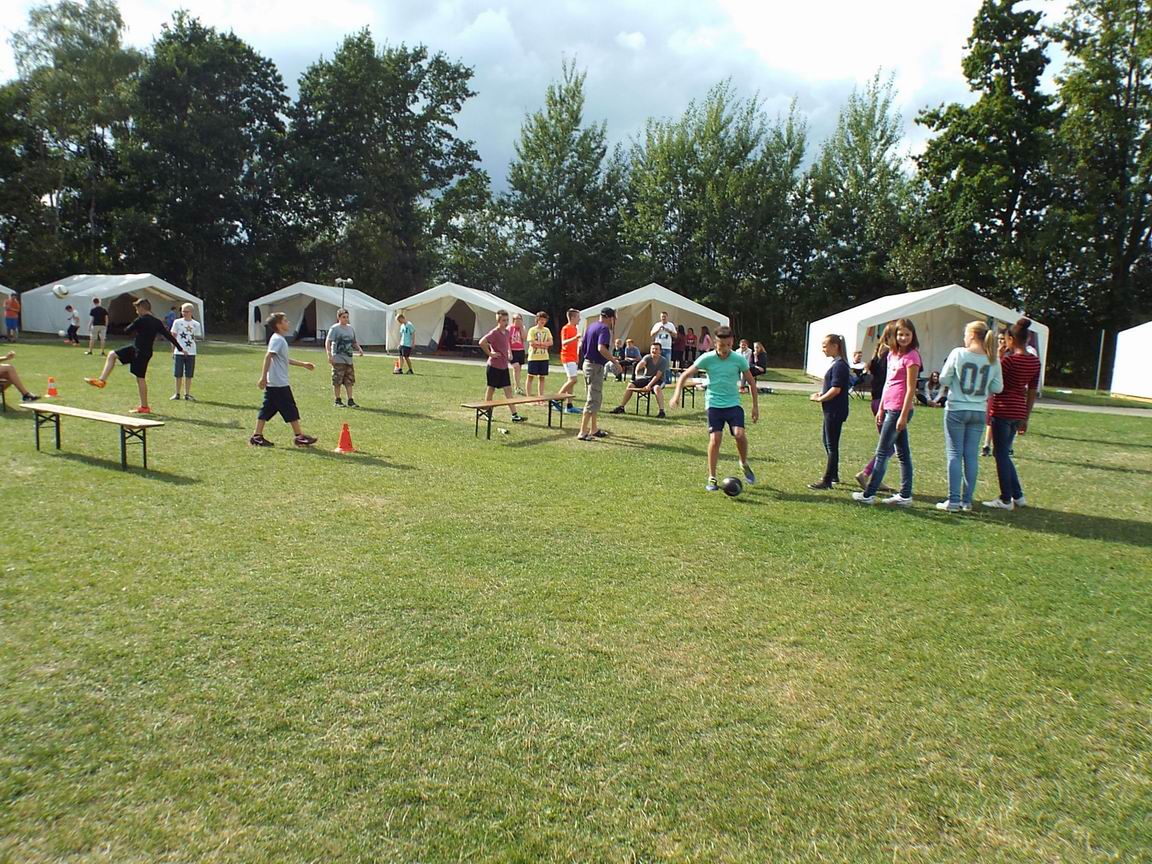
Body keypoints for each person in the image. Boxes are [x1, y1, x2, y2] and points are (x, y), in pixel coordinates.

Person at [670, 325, 758, 491]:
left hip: (733, 404)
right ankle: (712, 477)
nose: (725, 349)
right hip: (714, 404)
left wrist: (755, 407)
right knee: (715, 439)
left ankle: (743, 463)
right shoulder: (707, 358)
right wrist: (676, 395)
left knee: (739, 435)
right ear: (715, 343)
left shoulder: (738, 359)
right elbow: (684, 375)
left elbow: (752, 383)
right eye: (721, 345)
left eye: (728, 345)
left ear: (732, 342)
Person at [936, 321, 1003, 512]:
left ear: (972, 335)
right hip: (979, 410)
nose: (964, 338)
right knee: (971, 456)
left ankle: (953, 500)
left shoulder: (958, 353)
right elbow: (998, 387)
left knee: (954, 454)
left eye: (965, 334)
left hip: (957, 408)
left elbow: (943, 378)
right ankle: (967, 501)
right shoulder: (993, 358)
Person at [852, 318, 921, 506]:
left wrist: (904, 415)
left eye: (907, 334)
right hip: (888, 406)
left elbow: (910, 389)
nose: (903, 338)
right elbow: (888, 383)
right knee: (902, 453)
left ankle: (869, 494)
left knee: (882, 452)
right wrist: (881, 408)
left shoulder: (912, 356)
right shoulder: (892, 355)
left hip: (899, 409)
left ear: (913, 335)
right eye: (900, 334)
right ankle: (905, 495)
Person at [84, 298, 185, 414]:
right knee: (112, 354)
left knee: (140, 378)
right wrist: (180, 348)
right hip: (140, 350)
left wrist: (124, 326)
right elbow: (169, 336)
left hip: (140, 352)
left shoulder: (140, 320)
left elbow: (126, 330)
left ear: (141, 308)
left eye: (137, 309)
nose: (136, 312)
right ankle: (101, 381)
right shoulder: (157, 322)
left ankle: (144, 407)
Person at [984, 318, 1041, 510]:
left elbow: (995, 382)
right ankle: (1018, 495)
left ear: (1011, 339)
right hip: (1019, 411)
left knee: (1000, 454)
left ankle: (1005, 498)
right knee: (1004, 453)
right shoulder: (1034, 362)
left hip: (1002, 409)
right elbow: (1032, 390)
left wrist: (999, 357)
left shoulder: (1008, 361)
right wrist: (1026, 416)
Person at [249, 311, 317, 447]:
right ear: (279, 325)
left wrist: (303, 364)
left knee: (267, 410)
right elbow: (268, 356)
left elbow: (284, 359)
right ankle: (299, 437)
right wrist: (263, 377)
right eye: (285, 321)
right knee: (290, 409)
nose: (288, 322)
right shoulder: (277, 340)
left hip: (276, 383)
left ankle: (257, 436)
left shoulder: (279, 339)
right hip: (278, 383)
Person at [854, 323, 896, 492]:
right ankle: (866, 473)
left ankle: (877, 477)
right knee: (889, 446)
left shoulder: (878, 354)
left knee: (887, 444)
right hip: (884, 403)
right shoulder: (889, 355)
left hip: (877, 401)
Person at [807, 334, 850, 489]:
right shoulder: (836, 363)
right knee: (827, 441)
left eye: (825, 346)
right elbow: (831, 386)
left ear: (835, 346)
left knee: (831, 445)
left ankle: (827, 480)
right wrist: (821, 394)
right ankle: (834, 475)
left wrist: (820, 399)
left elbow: (836, 389)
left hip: (835, 410)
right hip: (831, 410)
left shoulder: (840, 365)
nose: (823, 349)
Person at [576, 307, 617, 440]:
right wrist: (614, 361)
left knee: (595, 396)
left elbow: (582, 346)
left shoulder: (591, 326)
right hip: (595, 366)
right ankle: (582, 432)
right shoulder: (604, 329)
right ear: (610, 318)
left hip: (587, 364)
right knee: (593, 398)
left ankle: (593, 429)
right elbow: (601, 348)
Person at [478, 310, 525, 424]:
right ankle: (487, 413)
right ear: (498, 321)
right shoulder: (494, 332)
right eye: (503, 320)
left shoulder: (507, 332)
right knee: (491, 389)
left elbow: (507, 343)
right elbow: (482, 342)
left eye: (507, 320)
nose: (506, 322)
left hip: (504, 366)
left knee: (508, 390)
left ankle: (514, 415)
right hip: (494, 366)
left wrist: (509, 352)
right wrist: (490, 354)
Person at [610, 342, 669, 418]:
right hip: (646, 378)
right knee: (630, 385)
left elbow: (657, 376)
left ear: (660, 351)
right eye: (652, 349)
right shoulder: (647, 357)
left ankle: (661, 411)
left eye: (656, 349)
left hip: (659, 380)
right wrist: (637, 372)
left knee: (656, 388)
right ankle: (621, 407)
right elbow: (640, 364)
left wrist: (649, 385)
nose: (654, 350)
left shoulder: (663, 361)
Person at [325, 308, 364, 408]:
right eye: (343, 317)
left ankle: (350, 400)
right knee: (337, 380)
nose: (346, 319)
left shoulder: (350, 328)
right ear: (338, 317)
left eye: (347, 317)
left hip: (348, 359)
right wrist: (329, 354)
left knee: (349, 380)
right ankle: (337, 400)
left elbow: (353, 341)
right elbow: (328, 341)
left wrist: (359, 349)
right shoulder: (335, 328)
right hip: (338, 358)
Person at [981, 330, 1009, 456]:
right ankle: (986, 445)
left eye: (1004, 339)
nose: (1002, 342)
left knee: (1003, 423)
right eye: (1000, 339)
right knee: (990, 419)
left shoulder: (1010, 357)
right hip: (994, 394)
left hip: (1006, 394)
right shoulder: (993, 356)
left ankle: (1004, 446)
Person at [170, 302, 203, 401]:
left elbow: (195, 337)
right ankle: (177, 393)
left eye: (186, 311)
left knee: (189, 374)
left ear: (191, 312)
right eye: (182, 311)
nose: (184, 313)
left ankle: (187, 394)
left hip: (191, 352)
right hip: (179, 352)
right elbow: (173, 337)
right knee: (178, 373)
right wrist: (173, 350)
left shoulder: (196, 324)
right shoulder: (177, 322)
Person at [556, 308, 582, 414]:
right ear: (572, 317)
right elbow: (564, 342)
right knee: (573, 380)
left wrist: (576, 357)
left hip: (573, 357)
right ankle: (556, 398)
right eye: (578, 317)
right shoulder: (566, 328)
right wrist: (575, 338)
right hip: (567, 357)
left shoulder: (575, 328)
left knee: (571, 381)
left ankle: (569, 406)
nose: (579, 319)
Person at [525, 310, 553, 398]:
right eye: (541, 319)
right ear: (537, 319)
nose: (542, 321)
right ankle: (529, 397)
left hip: (544, 357)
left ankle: (541, 397)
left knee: (542, 377)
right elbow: (532, 343)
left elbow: (550, 342)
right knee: (530, 376)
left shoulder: (547, 330)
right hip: (533, 357)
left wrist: (541, 344)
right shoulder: (532, 330)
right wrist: (543, 345)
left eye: (544, 319)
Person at [508, 312, 527, 394]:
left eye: (519, 319)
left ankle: (518, 386)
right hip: (513, 350)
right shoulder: (509, 328)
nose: (518, 320)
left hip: (520, 350)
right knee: (516, 367)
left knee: (519, 369)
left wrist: (521, 328)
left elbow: (524, 338)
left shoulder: (522, 328)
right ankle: (517, 387)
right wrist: (509, 352)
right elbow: (507, 341)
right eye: (516, 319)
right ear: (513, 320)